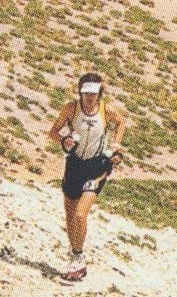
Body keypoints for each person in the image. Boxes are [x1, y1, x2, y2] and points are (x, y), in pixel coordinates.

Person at [48, 71, 126, 284]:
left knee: (81, 214)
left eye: (94, 93)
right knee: (71, 215)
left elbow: (120, 123)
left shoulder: (106, 110)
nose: (90, 98)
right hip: (74, 165)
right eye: (86, 93)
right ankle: (76, 258)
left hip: (97, 166)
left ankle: (79, 258)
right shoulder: (71, 108)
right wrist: (64, 140)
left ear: (100, 93)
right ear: (80, 91)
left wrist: (115, 147)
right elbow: (53, 131)